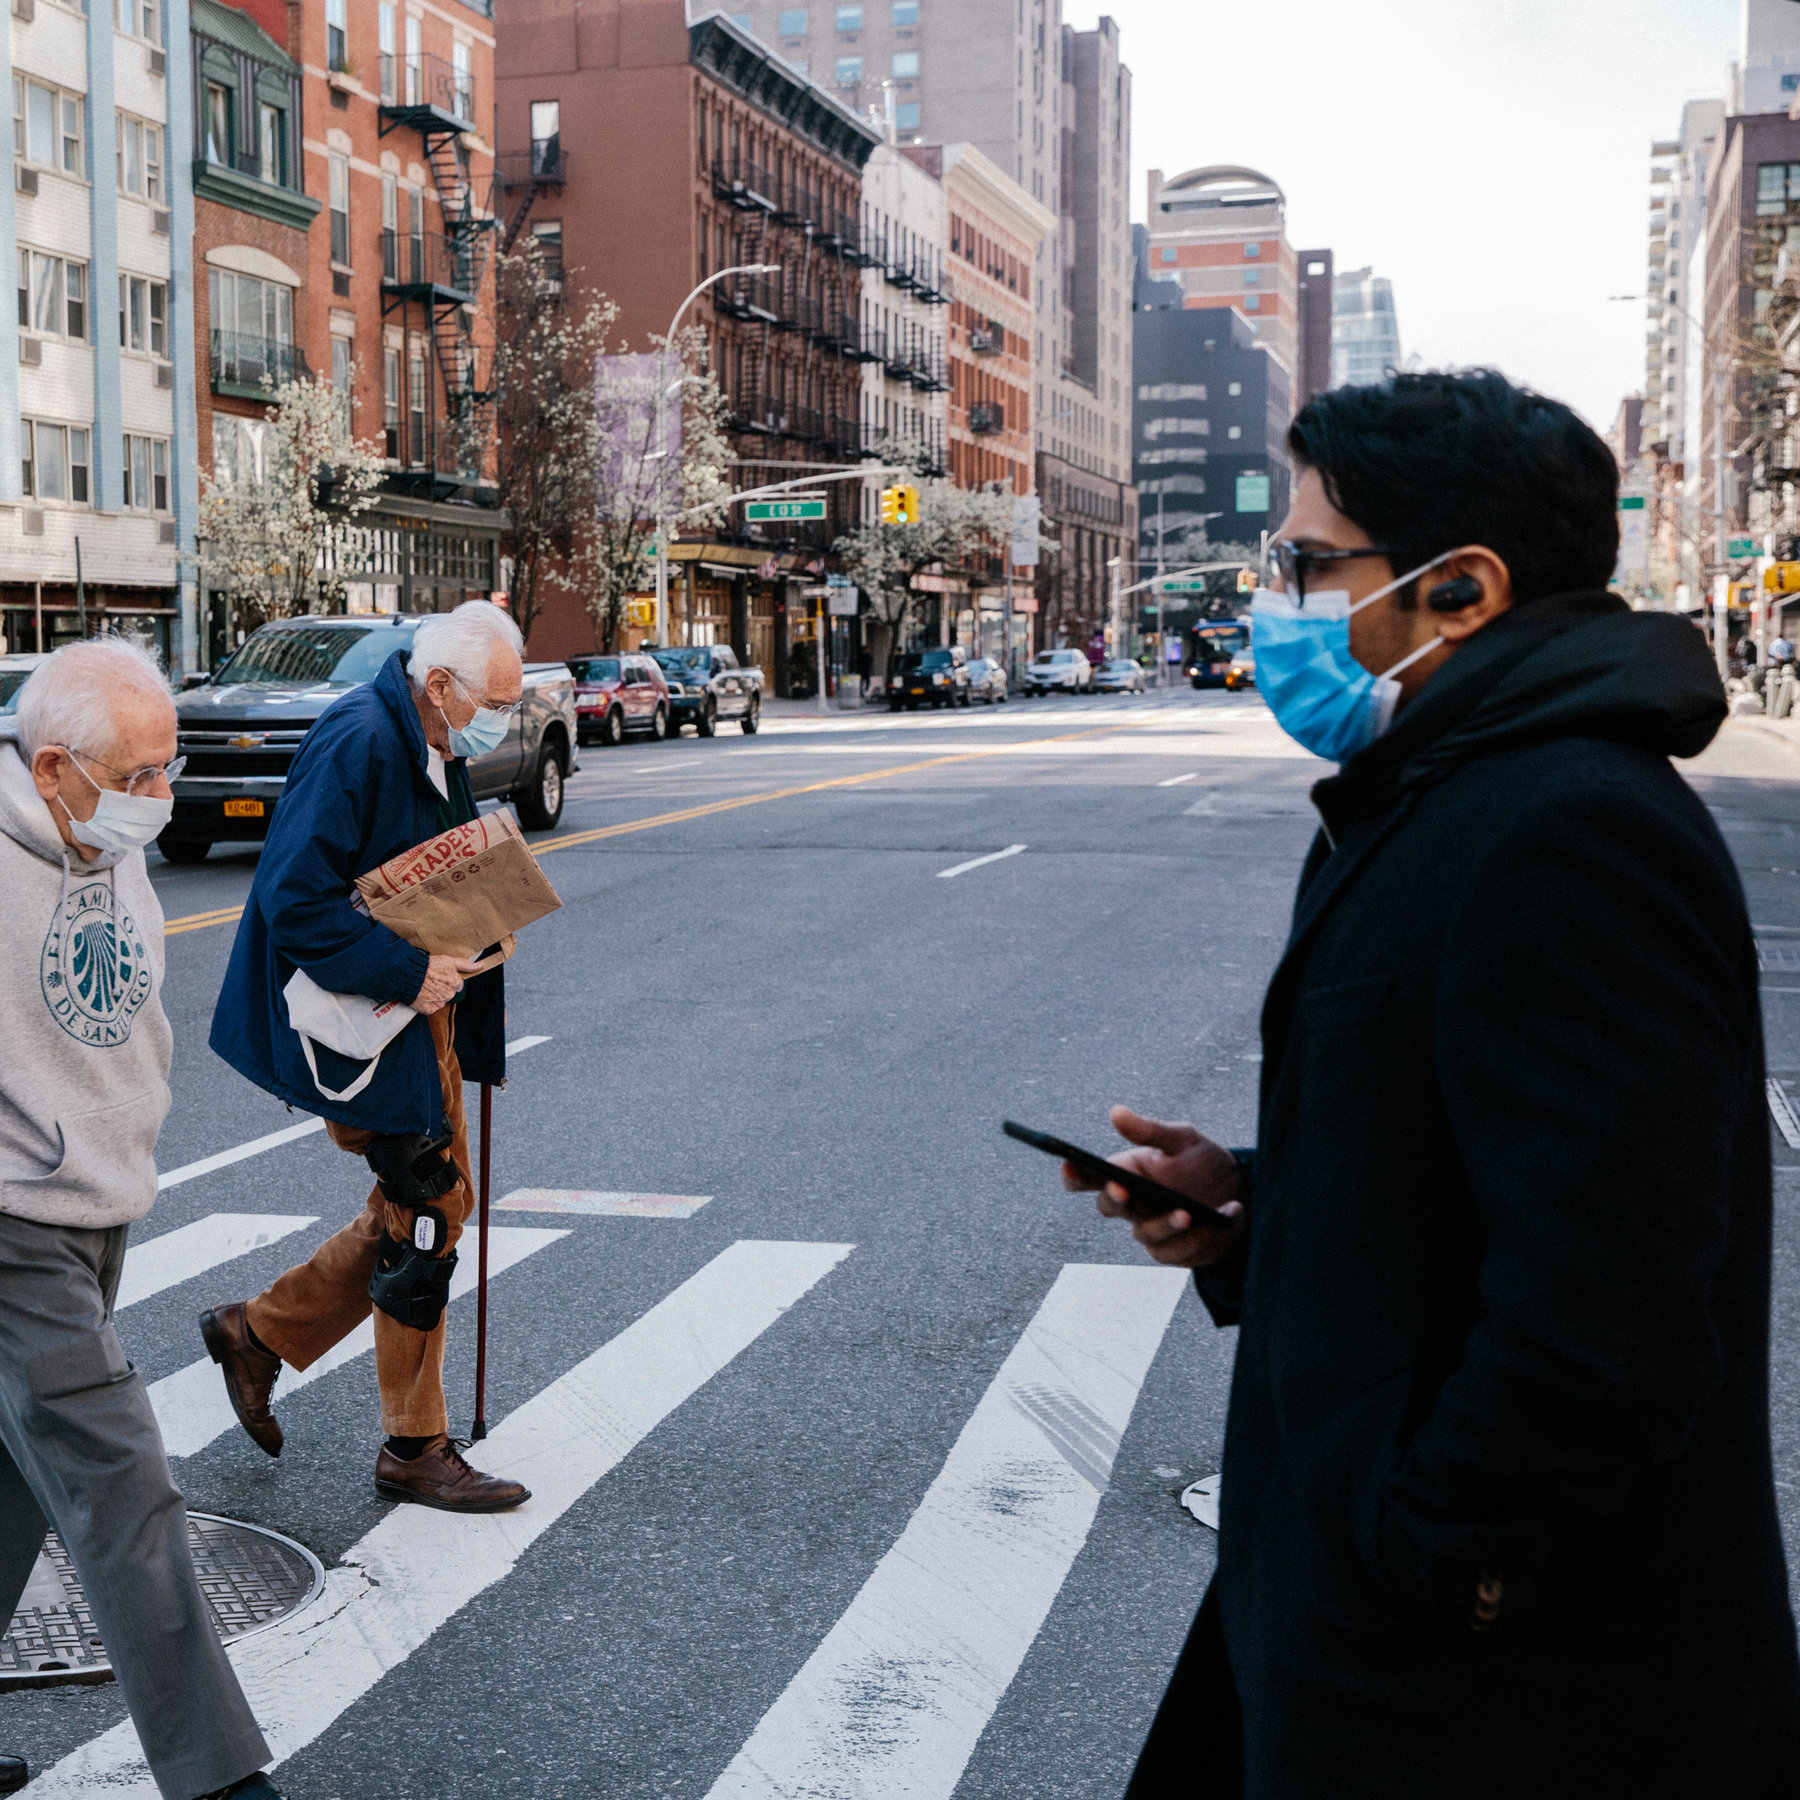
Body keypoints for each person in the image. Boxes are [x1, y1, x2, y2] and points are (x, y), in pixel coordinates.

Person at [1068, 371, 1800, 1798]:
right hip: (1371, 1626)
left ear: (1458, 589)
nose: (1277, 597)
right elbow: (1484, 1185)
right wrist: (1251, 1213)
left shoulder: (1568, 830)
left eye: (1307, 562)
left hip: (1494, 1696)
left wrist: (1435, 1559)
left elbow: (1612, 1307)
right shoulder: (1449, 793)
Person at [0, 639, 278, 1800]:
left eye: (168, 770)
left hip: (101, 1198)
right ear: (53, 765)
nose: (163, 799)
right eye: (143, 777)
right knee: (123, 1486)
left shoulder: (102, 831)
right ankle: (221, 1782)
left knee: (13, 1487)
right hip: (14, 1221)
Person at [203, 602, 530, 1513]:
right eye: (495, 701)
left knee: (417, 1204)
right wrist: (410, 967)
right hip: (364, 1016)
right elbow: (294, 899)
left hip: (416, 1014)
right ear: (438, 685)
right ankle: (413, 1446)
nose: (503, 716)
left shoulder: (434, 737)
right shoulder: (359, 740)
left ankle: (256, 1334)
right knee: (428, 1211)